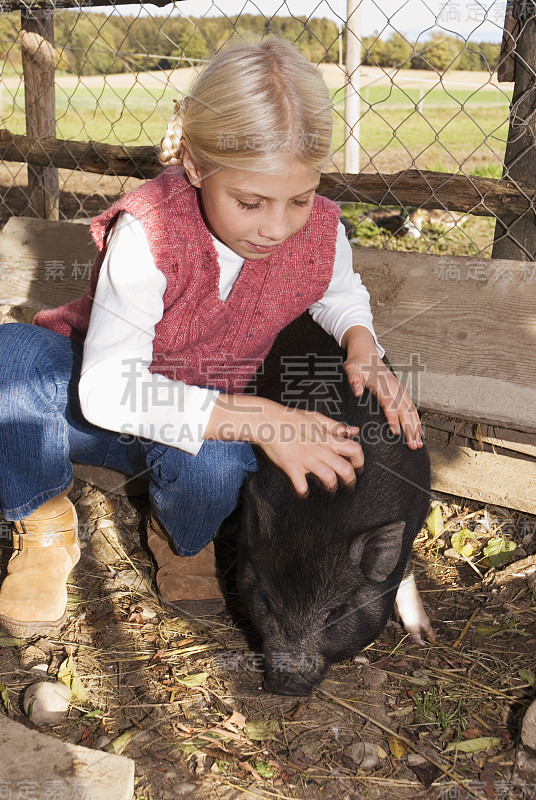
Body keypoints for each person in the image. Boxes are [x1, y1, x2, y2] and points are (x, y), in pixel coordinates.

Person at [0, 38, 423, 638]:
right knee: (9, 359)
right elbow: (103, 393)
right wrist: (266, 420)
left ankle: (181, 538)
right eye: (251, 202)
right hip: (94, 406)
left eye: (298, 199)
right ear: (195, 166)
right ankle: (43, 520)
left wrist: (361, 344)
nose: (276, 227)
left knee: (214, 468)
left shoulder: (319, 231)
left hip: (204, 419)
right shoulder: (149, 232)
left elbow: (339, 288)